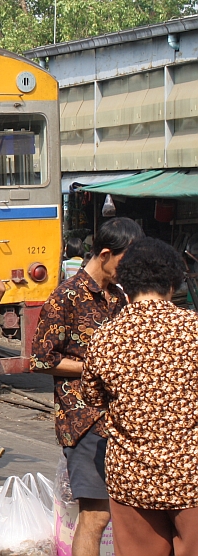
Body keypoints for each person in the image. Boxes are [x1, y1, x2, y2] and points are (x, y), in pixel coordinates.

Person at [30, 217, 143, 556]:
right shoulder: (66, 296)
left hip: (120, 420)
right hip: (85, 421)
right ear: (106, 254)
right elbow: (42, 359)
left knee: (124, 516)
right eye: (126, 261)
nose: (129, 271)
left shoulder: (118, 297)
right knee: (95, 516)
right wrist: (95, 367)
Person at [82, 238, 198, 556]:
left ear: (124, 282)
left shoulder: (105, 338)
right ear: (174, 282)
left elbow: (93, 400)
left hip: (133, 478)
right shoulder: (194, 330)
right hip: (192, 477)